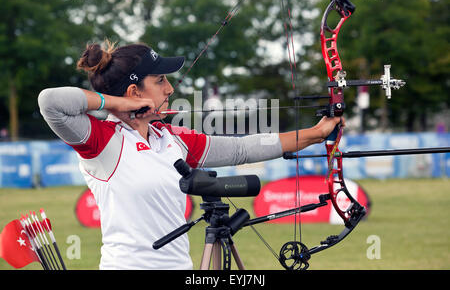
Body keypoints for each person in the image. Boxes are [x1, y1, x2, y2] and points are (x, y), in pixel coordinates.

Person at [38, 40, 343, 270]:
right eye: (160, 81)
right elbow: (51, 102)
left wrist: (316, 133)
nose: (169, 88)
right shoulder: (102, 141)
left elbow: (242, 148)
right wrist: (116, 103)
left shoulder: (169, 138)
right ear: (133, 93)